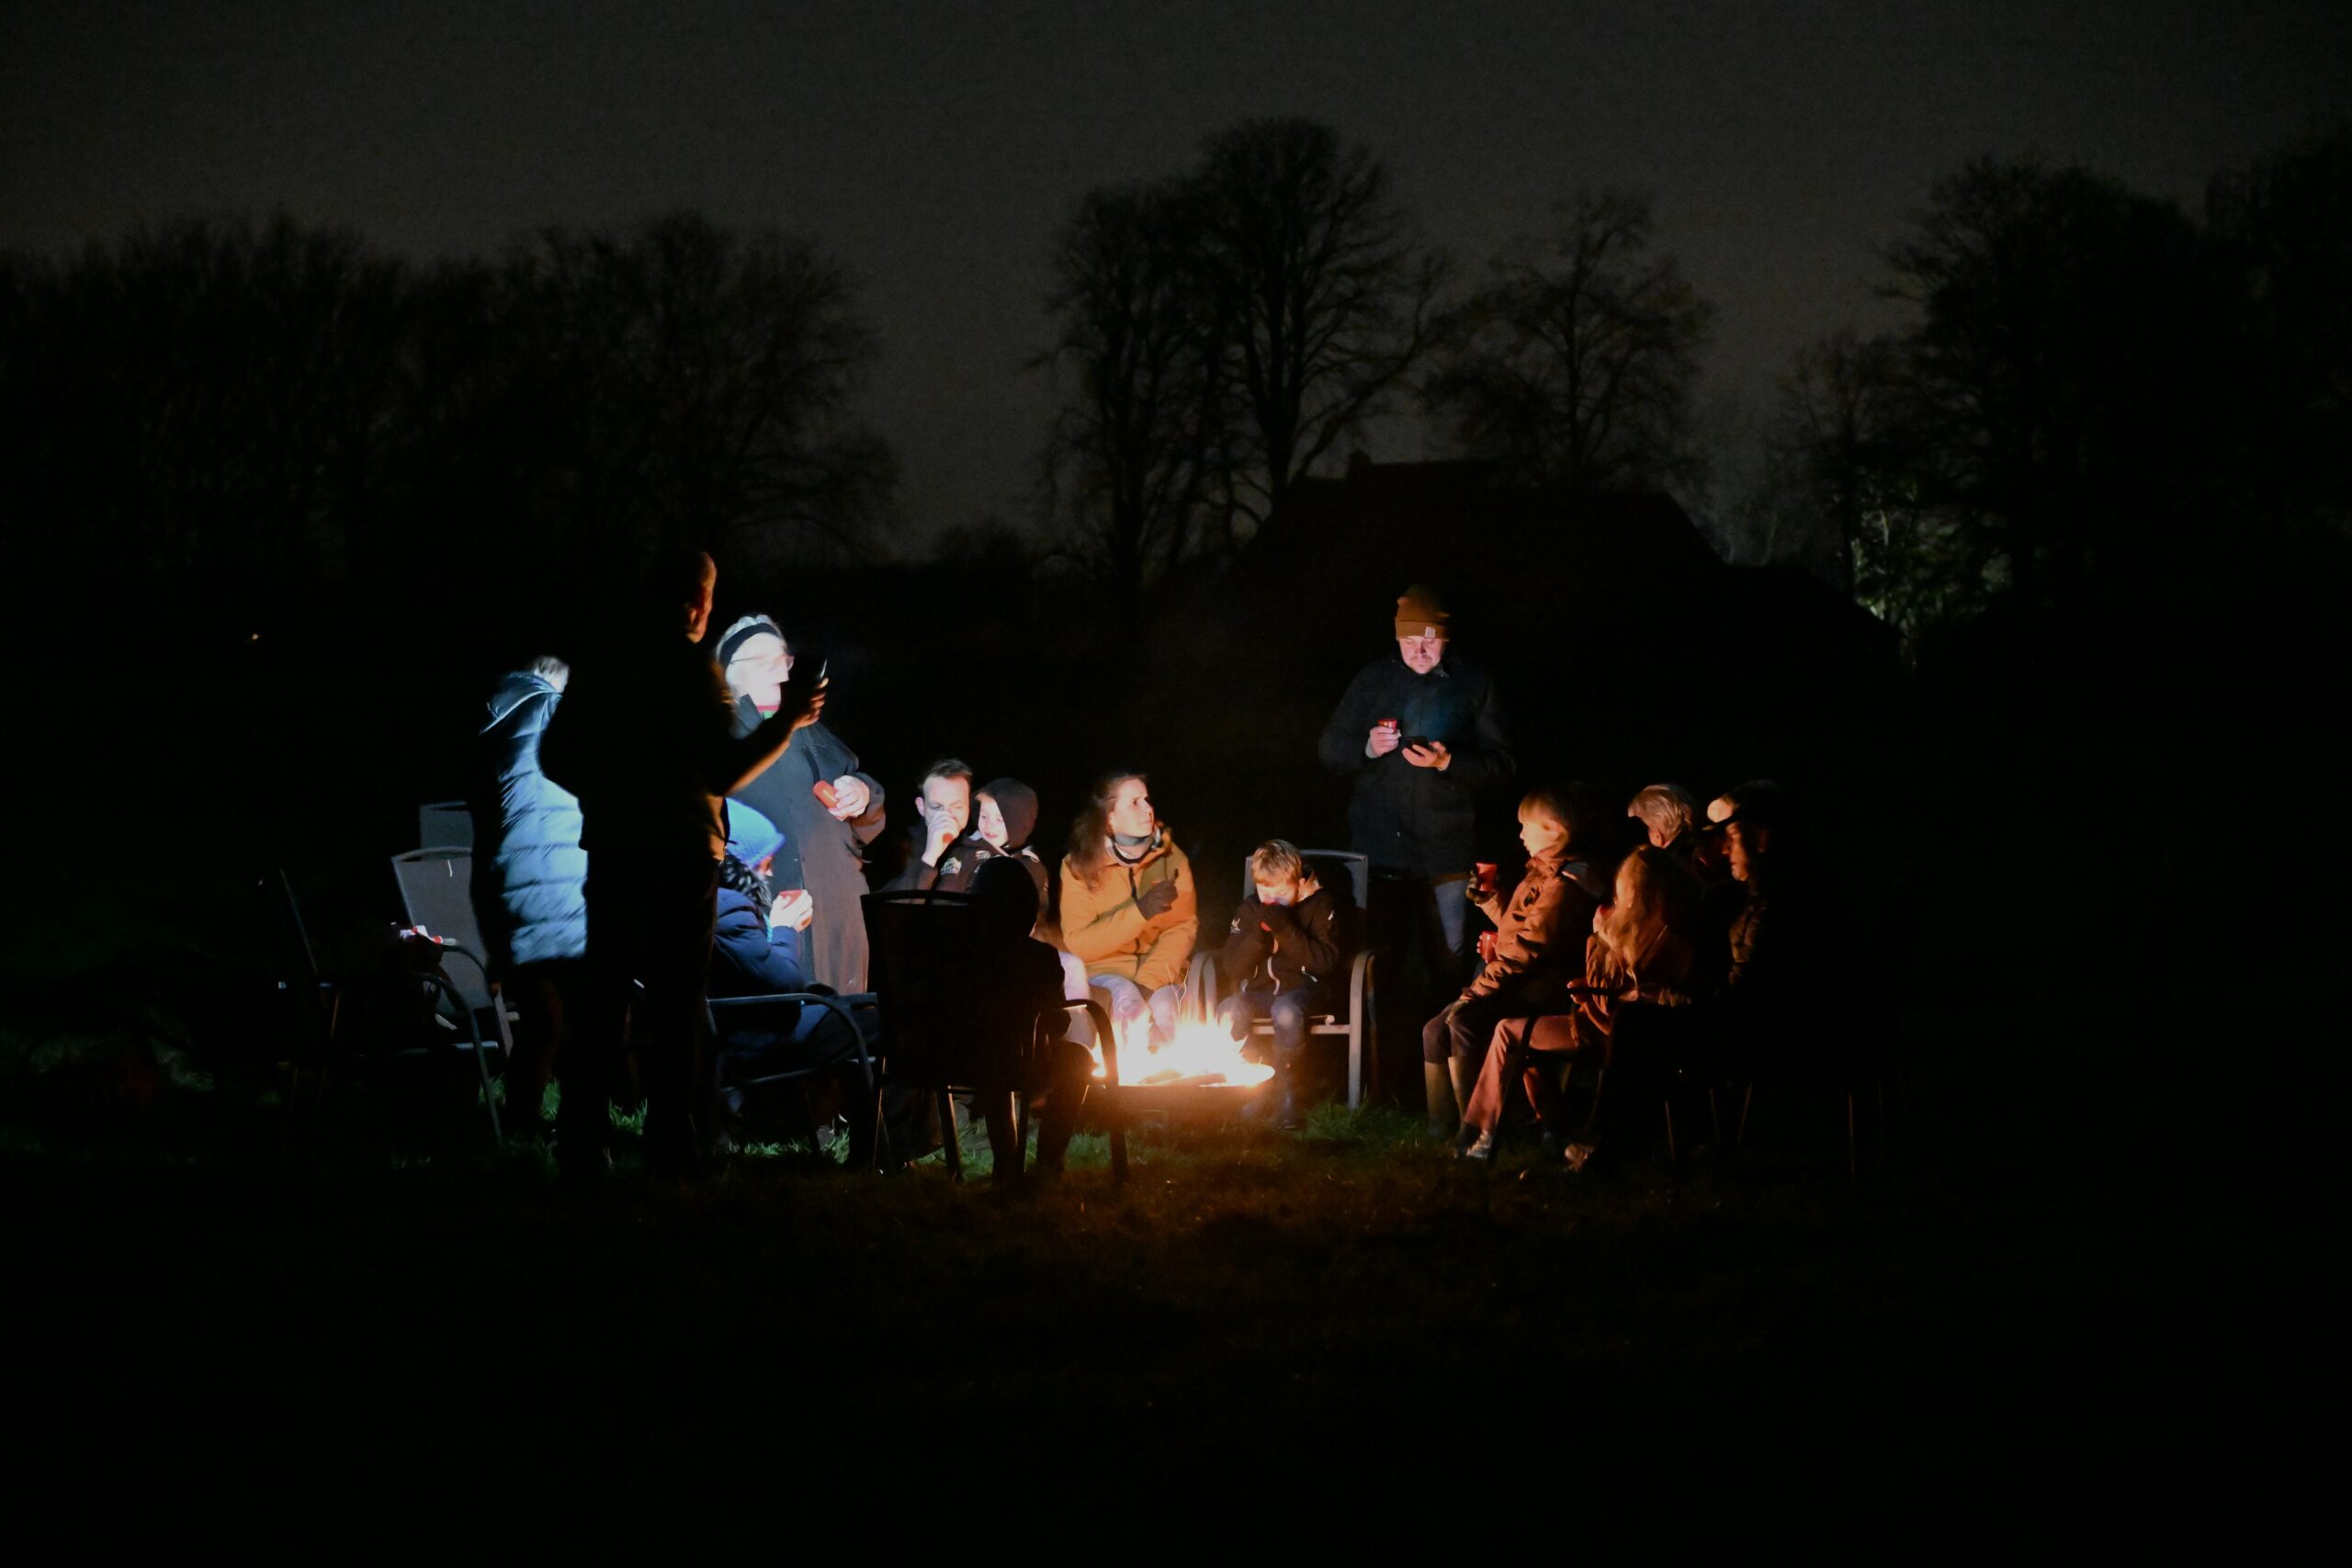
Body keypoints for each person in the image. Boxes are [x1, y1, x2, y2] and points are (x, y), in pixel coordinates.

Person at [536, 550, 826, 1187]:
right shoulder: (693, 672)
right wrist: (787, 724)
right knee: (675, 1007)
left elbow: (553, 754)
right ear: (697, 603)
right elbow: (722, 770)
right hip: (679, 856)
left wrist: (608, 791)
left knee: (604, 999)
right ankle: (673, 1147)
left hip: (612, 849)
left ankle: (582, 1145)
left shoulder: (603, 664)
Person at [1316, 583, 1513, 998]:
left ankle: (1441, 1056)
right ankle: (1373, 1057)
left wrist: (1448, 762)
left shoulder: (1473, 682)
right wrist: (1367, 748)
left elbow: (1502, 765)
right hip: (1380, 852)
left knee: (1448, 965)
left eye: (1429, 640)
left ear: (1445, 638)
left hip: (1447, 857)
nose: (1419, 651)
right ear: (1396, 637)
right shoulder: (1373, 679)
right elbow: (1330, 748)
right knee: (1376, 968)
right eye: (1409, 640)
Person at [1455, 845, 1702, 1164]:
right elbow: (1604, 984)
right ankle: (1539, 1126)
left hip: (1614, 1036)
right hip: (1593, 1021)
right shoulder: (1624, 926)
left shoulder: (1669, 939)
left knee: (1511, 1032)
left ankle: (1484, 1131)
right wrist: (1598, 946)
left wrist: (1603, 947)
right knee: (1511, 1030)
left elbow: (1641, 993)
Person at [1419, 786, 1606, 1137]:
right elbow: (1518, 928)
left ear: (1553, 829)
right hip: (1516, 982)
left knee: (1465, 1022)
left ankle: (1477, 1127)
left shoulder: (1566, 882)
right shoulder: (1541, 872)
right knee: (1434, 1029)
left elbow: (1527, 951)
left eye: (1526, 826)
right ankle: (1440, 1129)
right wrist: (1491, 901)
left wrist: (1476, 993)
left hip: (1540, 991)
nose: (1520, 834)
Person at [714, 615, 886, 993]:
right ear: (728, 676)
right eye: (761, 660)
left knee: (844, 1034)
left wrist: (863, 792)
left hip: (840, 921)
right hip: (768, 927)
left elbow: (870, 820)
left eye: (784, 659)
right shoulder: (721, 741)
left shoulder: (818, 734)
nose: (779, 669)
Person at [707, 801, 875, 1156]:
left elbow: (753, 966)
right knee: (874, 1023)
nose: (768, 875)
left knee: (865, 1010)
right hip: (758, 1037)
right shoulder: (728, 908)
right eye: (763, 865)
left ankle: (872, 1149)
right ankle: (879, 1152)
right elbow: (783, 983)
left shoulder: (711, 904)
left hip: (744, 1025)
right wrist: (785, 929)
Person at [468, 655, 587, 1140]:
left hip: (508, 894)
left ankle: (521, 1125)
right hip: (563, 892)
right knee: (587, 1019)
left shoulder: (495, 721)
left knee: (539, 1021)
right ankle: (583, 1130)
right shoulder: (550, 711)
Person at [967, 857, 1098, 1176]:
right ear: (1028, 912)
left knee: (994, 1060)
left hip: (957, 1058)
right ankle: (1049, 1162)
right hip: (1018, 1060)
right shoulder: (1040, 957)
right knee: (1077, 1059)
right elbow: (1058, 1023)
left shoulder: (959, 957)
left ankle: (1006, 1162)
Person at [1059, 772, 1196, 1054]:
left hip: (1161, 974)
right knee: (1130, 1007)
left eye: (1147, 799)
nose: (1148, 808)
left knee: (1169, 1015)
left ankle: (1171, 1092)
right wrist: (1140, 912)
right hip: (1106, 973)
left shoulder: (1172, 859)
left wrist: (1148, 982)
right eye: (1135, 802)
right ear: (1110, 818)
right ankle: (1120, 1089)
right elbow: (1079, 943)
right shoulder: (1078, 866)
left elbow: (1182, 927)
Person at [1216, 840, 1341, 1129]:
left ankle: (1288, 1091)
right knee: (1229, 1009)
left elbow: (1324, 962)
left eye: (1281, 892)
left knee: (1285, 1011)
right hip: (1260, 994)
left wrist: (1285, 930)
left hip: (1305, 991)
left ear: (1298, 883)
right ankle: (1250, 1088)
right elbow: (1232, 967)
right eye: (1264, 891)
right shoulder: (1250, 909)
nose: (1271, 900)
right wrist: (1257, 939)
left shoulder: (1320, 904)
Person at [880, 758, 975, 892]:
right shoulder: (899, 848)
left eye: (957, 807)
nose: (947, 816)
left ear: (969, 805)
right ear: (921, 807)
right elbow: (891, 908)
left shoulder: (982, 841)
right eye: (936, 807)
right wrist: (929, 857)